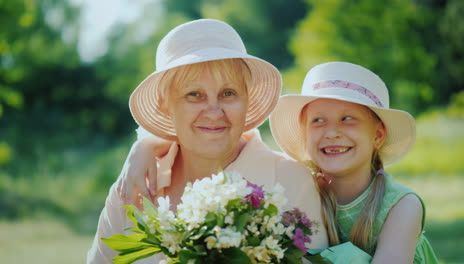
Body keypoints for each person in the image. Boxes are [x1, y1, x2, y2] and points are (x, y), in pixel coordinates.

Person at [87, 19, 328, 264]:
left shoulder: (290, 181)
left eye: (228, 93)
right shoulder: (135, 184)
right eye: (194, 95)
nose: (214, 112)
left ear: (247, 99)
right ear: (165, 105)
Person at [270, 62, 438, 263]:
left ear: (377, 135)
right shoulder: (300, 192)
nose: (331, 133)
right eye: (318, 121)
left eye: (347, 118)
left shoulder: (401, 206)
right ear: (305, 134)